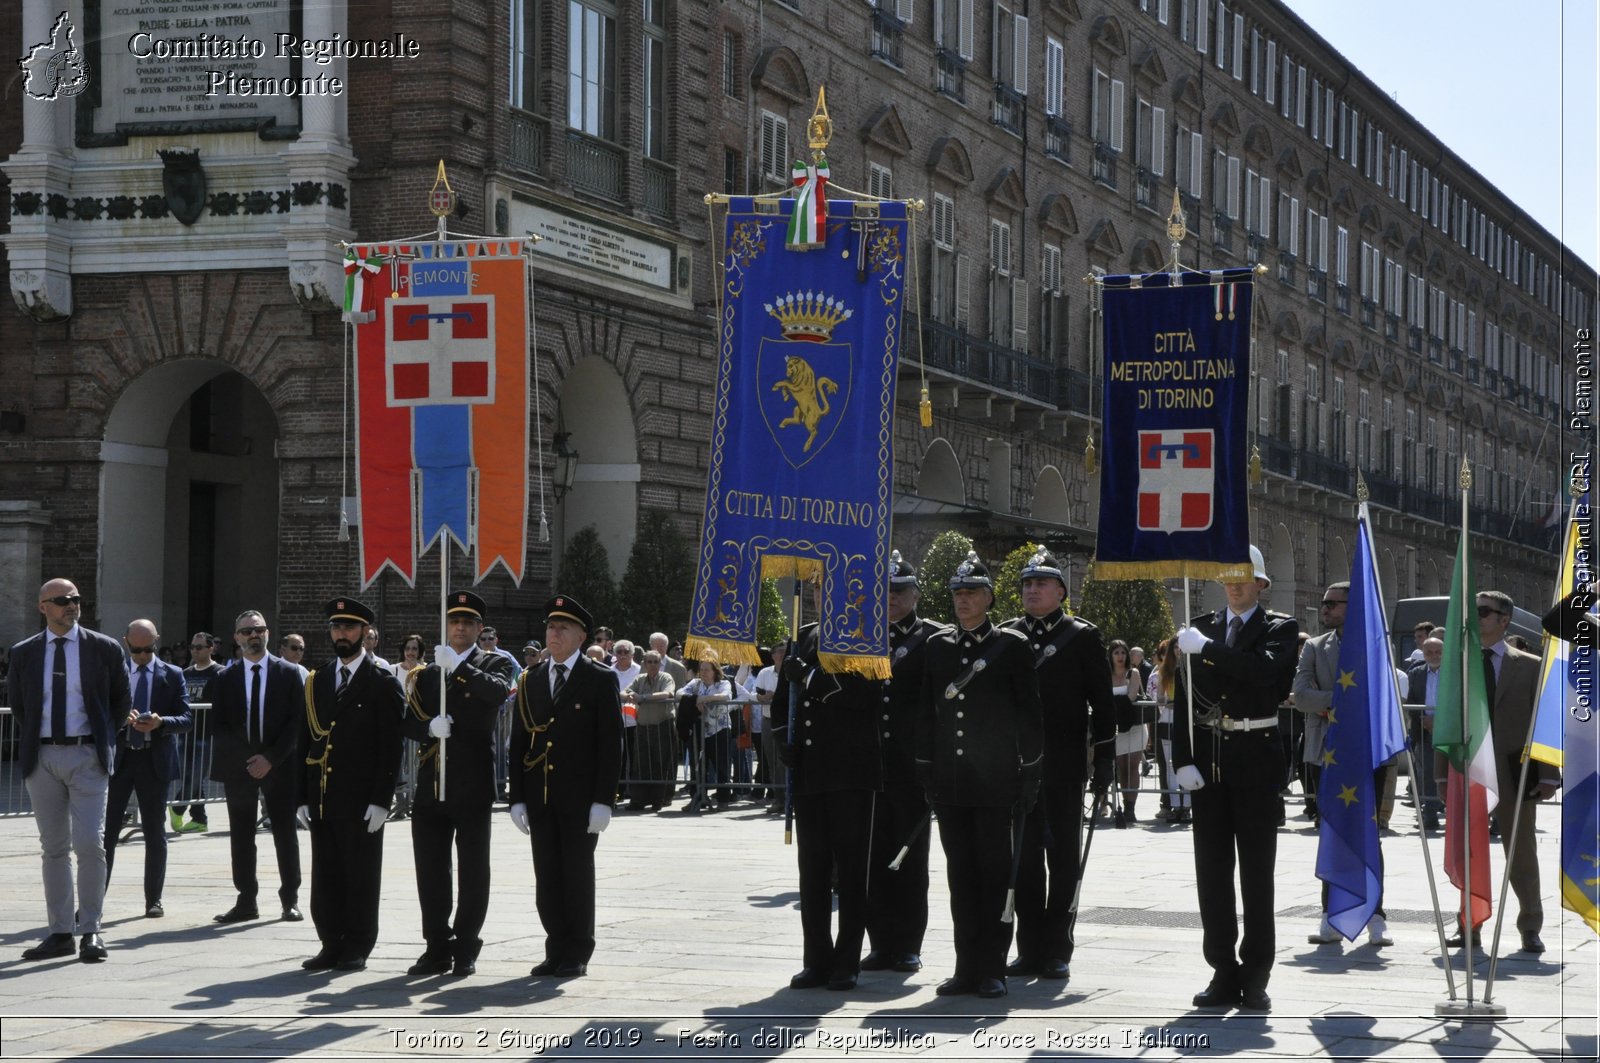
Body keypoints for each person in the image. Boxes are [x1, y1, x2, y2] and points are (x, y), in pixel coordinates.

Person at [1171, 545, 1299, 1012]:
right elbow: (1183, 700)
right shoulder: (1201, 627)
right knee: (1212, 872)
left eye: (1245, 578)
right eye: (1228, 577)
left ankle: (1256, 972)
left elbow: (1264, 673)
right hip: (1210, 760)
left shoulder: (1279, 629)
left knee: (1256, 875)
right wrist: (1182, 758)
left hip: (1255, 758)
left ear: (1262, 585)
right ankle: (1222, 969)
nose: (1236, 585)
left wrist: (1208, 650)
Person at [916, 552, 1043, 999]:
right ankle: (965, 966)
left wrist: (1030, 771)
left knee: (993, 875)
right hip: (952, 781)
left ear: (989, 598)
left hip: (995, 781)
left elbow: (1030, 713)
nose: (962, 600)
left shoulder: (1010, 646)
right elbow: (927, 712)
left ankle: (992, 968)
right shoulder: (938, 646)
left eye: (971, 593)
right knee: (960, 877)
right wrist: (925, 766)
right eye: (957, 593)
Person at [999, 550, 1115, 982]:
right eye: (1027, 585)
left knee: (1063, 857)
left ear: (1061, 592)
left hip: (1063, 765)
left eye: (1041, 584)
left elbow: (1102, 704)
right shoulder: (1007, 634)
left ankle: (1057, 948)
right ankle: (1028, 948)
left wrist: (1103, 759)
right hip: (1016, 766)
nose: (1031, 590)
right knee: (1024, 861)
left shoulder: (1081, 636)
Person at [10, 578, 132, 963]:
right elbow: (19, 706)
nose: (71, 606)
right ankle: (60, 931)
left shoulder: (104, 648)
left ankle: (91, 929)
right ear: (43, 606)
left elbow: (120, 702)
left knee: (89, 842)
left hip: (87, 756)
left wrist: (102, 744)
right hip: (42, 758)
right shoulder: (24, 652)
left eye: (76, 600)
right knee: (54, 848)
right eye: (62, 601)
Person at [399, 590, 518, 977]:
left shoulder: (495, 662)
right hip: (432, 781)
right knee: (430, 868)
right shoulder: (428, 673)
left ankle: (466, 945)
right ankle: (436, 944)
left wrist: (460, 669)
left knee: (472, 868)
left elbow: (498, 693)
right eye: (454, 621)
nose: (460, 627)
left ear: (480, 628)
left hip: (471, 779)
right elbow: (410, 719)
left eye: (468, 622)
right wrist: (428, 728)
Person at [772, 582, 884, 992]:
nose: (822, 595)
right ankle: (816, 959)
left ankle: (846, 962)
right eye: (818, 588)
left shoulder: (864, 636)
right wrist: (784, 739)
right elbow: (784, 697)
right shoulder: (803, 637)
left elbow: (864, 696)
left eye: (830, 587)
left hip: (850, 770)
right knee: (812, 871)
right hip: (811, 770)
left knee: (852, 870)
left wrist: (812, 679)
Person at [508, 594, 622, 978]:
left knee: (576, 872)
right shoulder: (532, 678)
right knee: (547, 875)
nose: (553, 634)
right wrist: (516, 798)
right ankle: (555, 946)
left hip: (580, 797)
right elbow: (520, 740)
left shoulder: (599, 678)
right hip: (540, 795)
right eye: (550, 627)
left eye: (562, 628)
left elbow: (611, 743)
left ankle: (577, 950)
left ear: (580, 635)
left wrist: (604, 800)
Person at [296, 596, 406, 972]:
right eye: (336, 628)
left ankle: (357, 943)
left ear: (366, 633)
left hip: (360, 797)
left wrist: (381, 798)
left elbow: (391, 746)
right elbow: (305, 741)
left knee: (360, 873)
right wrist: (302, 795)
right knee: (326, 873)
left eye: (349, 628)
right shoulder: (318, 679)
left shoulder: (382, 682)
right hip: (324, 796)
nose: (341, 634)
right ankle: (330, 941)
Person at [1448, 590, 1559, 954]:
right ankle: (1470, 925)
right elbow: (1445, 723)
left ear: (1504, 620)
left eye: (1483, 611)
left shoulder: (1528, 665)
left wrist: (1548, 774)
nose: (1475, 617)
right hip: (1469, 771)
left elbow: (1544, 722)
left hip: (1515, 771)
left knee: (1521, 852)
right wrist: (1440, 771)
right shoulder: (1458, 663)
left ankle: (1530, 925)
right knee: (1469, 851)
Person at [1296, 582, 1393, 948]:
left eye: (1333, 603)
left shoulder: (1375, 644)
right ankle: (1330, 915)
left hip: (1367, 752)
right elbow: (1301, 695)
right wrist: (1343, 700)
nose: (1325, 608)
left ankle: (1376, 915)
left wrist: (1333, 703)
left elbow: (1381, 695)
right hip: (1328, 752)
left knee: (1368, 835)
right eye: (1323, 603)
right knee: (1332, 832)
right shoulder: (1314, 646)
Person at [861, 553, 943, 973]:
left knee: (910, 857)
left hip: (913, 765)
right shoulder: (862, 636)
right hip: (872, 763)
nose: (891, 598)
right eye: (886, 591)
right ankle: (879, 942)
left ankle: (908, 943)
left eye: (899, 591)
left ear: (915, 595)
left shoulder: (932, 639)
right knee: (873, 856)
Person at [209, 610, 307, 925]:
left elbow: (296, 723)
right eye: (247, 631)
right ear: (236, 637)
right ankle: (246, 900)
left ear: (267, 634)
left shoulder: (289, 673)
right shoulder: (225, 677)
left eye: (259, 629)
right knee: (241, 835)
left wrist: (270, 758)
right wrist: (247, 761)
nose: (254, 635)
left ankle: (289, 899)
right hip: (240, 769)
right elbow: (221, 726)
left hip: (279, 766)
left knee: (284, 833)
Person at [104, 619, 193, 920]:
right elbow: (98, 714)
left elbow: (187, 718)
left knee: (155, 833)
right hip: (121, 759)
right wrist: (119, 719)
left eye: (149, 649)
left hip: (154, 760)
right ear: (126, 642)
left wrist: (160, 722)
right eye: (137, 650)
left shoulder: (173, 674)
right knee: (107, 834)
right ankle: (93, 900)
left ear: (157, 641)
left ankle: (153, 899)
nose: (143, 656)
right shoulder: (115, 673)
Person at [174, 632, 224, 834]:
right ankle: (199, 818)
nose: (195, 650)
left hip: (206, 734)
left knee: (195, 775)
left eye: (200, 647)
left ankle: (176, 806)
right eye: (193, 647)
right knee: (189, 775)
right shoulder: (185, 673)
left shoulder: (219, 672)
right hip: (186, 732)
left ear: (211, 648)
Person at [624, 650, 678, 811]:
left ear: (660, 664)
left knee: (661, 764)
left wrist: (644, 697)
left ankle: (659, 800)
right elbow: (624, 692)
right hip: (642, 726)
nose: (653, 665)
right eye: (650, 662)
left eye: (656, 662)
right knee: (640, 764)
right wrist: (629, 696)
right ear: (644, 664)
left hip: (662, 725)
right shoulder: (639, 679)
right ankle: (638, 800)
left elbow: (668, 693)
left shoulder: (666, 677)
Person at [680, 657, 735, 809]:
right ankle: (698, 797)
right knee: (697, 766)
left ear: (715, 671)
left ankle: (723, 800)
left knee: (721, 766)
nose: (703, 672)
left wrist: (705, 698)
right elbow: (680, 693)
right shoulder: (695, 683)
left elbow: (725, 696)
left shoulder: (723, 683)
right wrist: (696, 699)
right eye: (701, 669)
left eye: (707, 669)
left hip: (719, 730)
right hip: (699, 731)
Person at [1405, 636, 1445, 833]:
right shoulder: (1416, 673)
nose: (1434, 656)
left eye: (1438, 651)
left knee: (1450, 774)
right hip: (1424, 731)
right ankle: (1430, 814)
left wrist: (1439, 722)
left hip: (1449, 731)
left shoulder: (1455, 673)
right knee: (1427, 773)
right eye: (1429, 652)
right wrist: (1425, 721)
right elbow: (1412, 700)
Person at [1149, 640, 1190, 824]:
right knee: (1170, 765)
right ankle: (1174, 804)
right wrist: (1163, 699)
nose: (1178, 651)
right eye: (1175, 647)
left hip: (1185, 722)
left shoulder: (1190, 671)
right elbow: (1159, 698)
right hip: (1166, 720)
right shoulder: (1162, 672)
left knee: (1186, 763)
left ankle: (1187, 805)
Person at [1108, 639, 1144, 826]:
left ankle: (1131, 808)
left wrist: (1113, 702)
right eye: (1116, 653)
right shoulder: (1106, 674)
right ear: (1111, 656)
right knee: (1121, 766)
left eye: (1123, 653)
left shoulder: (1133, 673)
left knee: (1132, 766)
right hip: (1115, 726)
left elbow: (1131, 695)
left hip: (1133, 726)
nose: (1120, 657)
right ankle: (1122, 804)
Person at [752, 643, 787, 815]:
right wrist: (761, 696)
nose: (782, 655)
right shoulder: (765, 673)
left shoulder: (792, 671)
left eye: (785, 652)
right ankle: (779, 799)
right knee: (772, 761)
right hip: (768, 720)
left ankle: (790, 799)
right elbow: (752, 694)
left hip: (788, 722)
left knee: (786, 761)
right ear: (772, 655)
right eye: (779, 652)